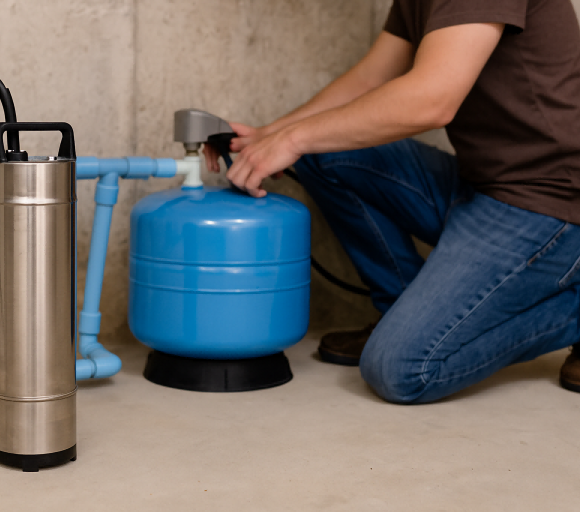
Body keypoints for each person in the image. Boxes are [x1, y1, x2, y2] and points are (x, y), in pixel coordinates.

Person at [204, 0, 580, 404]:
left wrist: (292, 139)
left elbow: (434, 99)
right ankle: (400, 309)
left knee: (401, 369)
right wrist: (271, 135)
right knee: (321, 147)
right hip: (482, 184)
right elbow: (371, 78)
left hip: (547, 202)